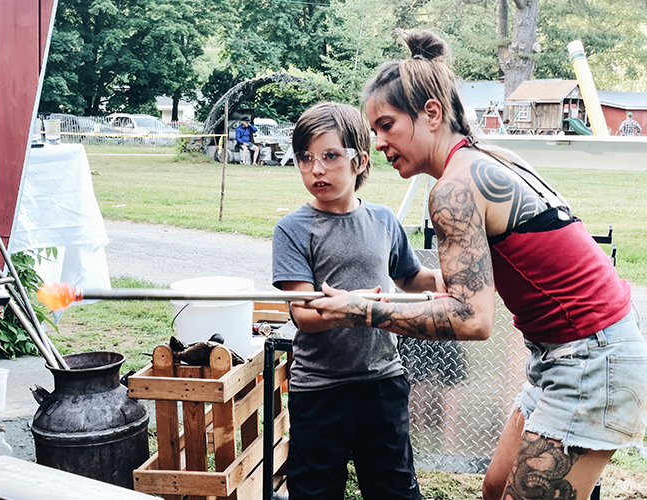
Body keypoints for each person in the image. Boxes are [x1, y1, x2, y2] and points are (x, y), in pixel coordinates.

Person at [303, 30, 647, 500]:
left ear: (431, 113)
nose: (378, 143)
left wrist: (358, 311)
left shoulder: (454, 190)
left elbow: (472, 318)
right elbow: (479, 283)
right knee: (495, 487)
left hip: (592, 356)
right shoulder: (485, 158)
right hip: (565, 351)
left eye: (386, 125)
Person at [272, 101, 443, 500]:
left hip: (381, 382)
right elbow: (304, 314)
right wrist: (355, 306)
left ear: (360, 161)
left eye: (331, 156)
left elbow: (410, 277)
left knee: (394, 491)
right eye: (305, 158)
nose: (317, 169)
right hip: (318, 390)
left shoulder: (384, 220)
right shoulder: (292, 230)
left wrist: (454, 276)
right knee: (315, 492)